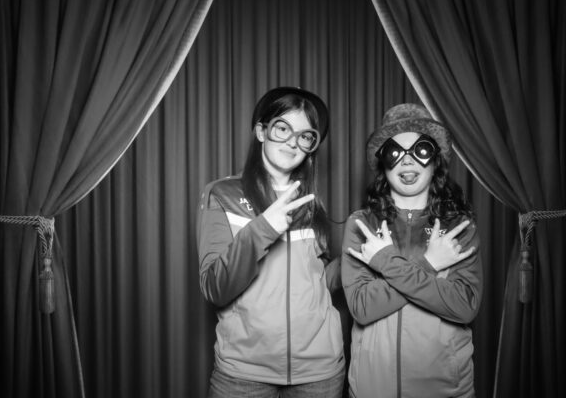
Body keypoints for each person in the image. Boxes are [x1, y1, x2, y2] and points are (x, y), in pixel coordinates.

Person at [197, 87, 345, 398]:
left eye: (305, 136)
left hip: (319, 374)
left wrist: (352, 263)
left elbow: (316, 281)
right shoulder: (222, 194)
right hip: (243, 375)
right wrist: (263, 228)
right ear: (261, 131)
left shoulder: (311, 202)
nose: (293, 141)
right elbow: (215, 287)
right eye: (282, 128)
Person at [341, 103, 483, 398]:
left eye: (420, 151)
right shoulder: (362, 224)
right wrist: (429, 263)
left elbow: (463, 306)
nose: (407, 161)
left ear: (435, 161)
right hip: (372, 388)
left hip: (445, 389)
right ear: (384, 164)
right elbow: (363, 308)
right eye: (395, 152)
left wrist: (385, 262)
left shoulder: (458, 226)